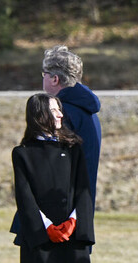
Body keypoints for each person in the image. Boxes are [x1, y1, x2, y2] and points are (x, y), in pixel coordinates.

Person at [12, 93, 95, 262]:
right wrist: (46, 226)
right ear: (39, 114)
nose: (60, 114)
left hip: (73, 235)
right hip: (40, 237)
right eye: (53, 110)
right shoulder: (22, 153)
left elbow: (83, 191)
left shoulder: (73, 149)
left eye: (59, 109)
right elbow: (24, 196)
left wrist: (73, 221)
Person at [41, 45, 102, 208]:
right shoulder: (87, 111)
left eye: (44, 74)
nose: (43, 79)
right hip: (78, 206)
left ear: (55, 79)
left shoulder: (63, 113)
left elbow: (52, 166)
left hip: (60, 212)